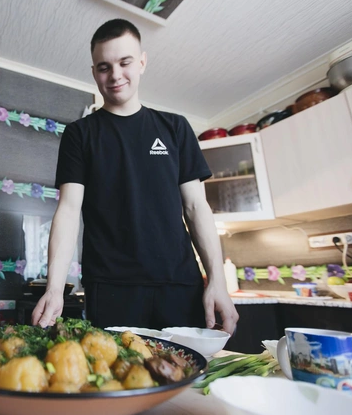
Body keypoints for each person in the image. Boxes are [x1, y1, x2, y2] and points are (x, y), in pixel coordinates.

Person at [31, 19, 239, 334]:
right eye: (104, 67)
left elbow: (196, 208)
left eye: (124, 62)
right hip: (111, 287)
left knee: (188, 377)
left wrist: (218, 283)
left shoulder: (175, 127)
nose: (115, 75)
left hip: (180, 284)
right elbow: (69, 210)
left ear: (142, 62)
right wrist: (55, 287)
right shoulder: (79, 134)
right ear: (94, 72)